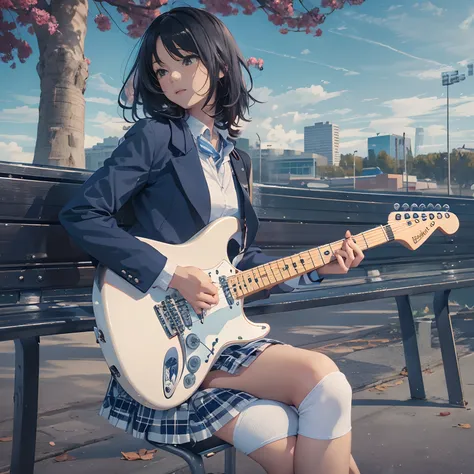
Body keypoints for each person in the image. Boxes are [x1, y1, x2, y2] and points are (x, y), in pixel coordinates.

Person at [59, 6, 365, 474]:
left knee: (303, 448)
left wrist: (318, 267)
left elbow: (238, 261)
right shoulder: (156, 136)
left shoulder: (235, 160)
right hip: (164, 344)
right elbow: (82, 212)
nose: (172, 77)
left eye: (184, 61)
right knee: (326, 386)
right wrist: (170, 274)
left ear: (219, 63)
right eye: (161, 68)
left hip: (222, 339)